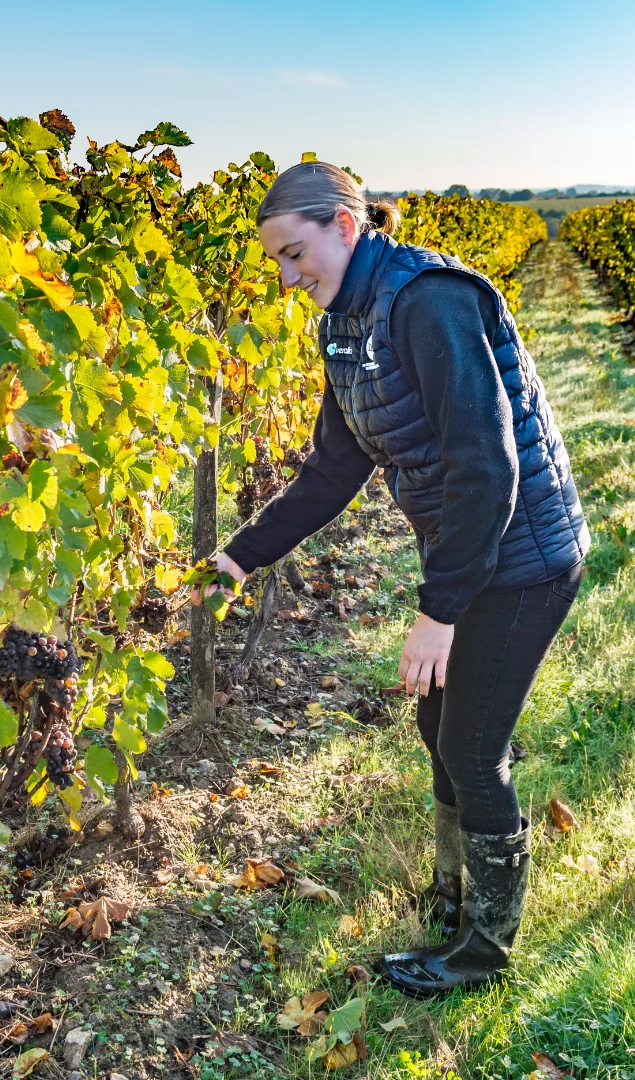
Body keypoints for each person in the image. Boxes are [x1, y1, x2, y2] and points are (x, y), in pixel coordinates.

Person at [192, 162, 589, 998]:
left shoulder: (429, 301)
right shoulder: (345, 325)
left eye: (296, 254)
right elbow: (335, 468)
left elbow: (487, 465)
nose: (287, 276)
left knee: (471, 751)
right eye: (276, 262)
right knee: (439, 732)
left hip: (522, 557)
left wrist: (436, 613)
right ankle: (452, 900)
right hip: (470, 551)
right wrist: (242, 554)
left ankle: (483, 952)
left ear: (344, 225)